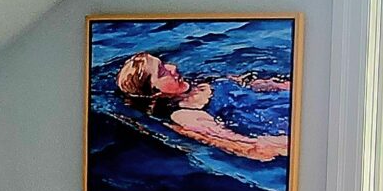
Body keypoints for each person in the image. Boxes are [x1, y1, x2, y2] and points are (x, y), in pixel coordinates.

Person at [113, 52, 290, 162]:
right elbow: (232, 141)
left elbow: (248, 84)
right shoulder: (183, 115)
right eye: (162, 71)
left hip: (279, 101)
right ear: (154, 91)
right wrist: (278, 146)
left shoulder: (200, 79)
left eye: (164, 64)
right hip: (278, 124)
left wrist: (284, 86)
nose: (172, 67)